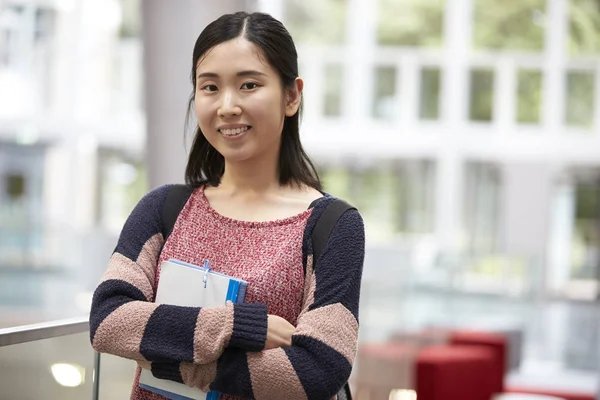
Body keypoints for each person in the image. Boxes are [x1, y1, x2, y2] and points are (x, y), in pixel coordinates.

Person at [89, 11, 365, 400]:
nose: (227, 106)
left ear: (291, 95)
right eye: (210, 87)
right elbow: (109, 321)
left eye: (249, 85)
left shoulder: (333, 225)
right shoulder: (162, 208)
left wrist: (168, 360)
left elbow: (315, 371)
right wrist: (237, 326)